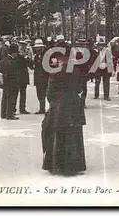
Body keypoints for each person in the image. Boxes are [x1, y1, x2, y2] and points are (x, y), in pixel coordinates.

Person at [41, 44, 86, 175]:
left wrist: (54, 102)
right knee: (74, 134)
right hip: (74, 105)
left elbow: (49, 94)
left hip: (59, 106)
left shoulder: (55, 71)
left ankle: (56, 164)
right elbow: (80, 89)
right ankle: (74, 165)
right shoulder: (76, 70)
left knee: (53, 132)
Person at [0, 43, 22, 120]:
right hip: (12, 82)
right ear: (14, 53)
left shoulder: (4, 60)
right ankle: (10, 115)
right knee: (11, 98)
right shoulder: (12, 61)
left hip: (5, 82)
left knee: (4, 98)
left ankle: (3, 113)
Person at [33, 39, 49, 114]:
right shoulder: (35, 56)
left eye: (39, 48)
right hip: (38, 78)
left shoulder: (47, 55)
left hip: (45, 77)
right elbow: (33, 66)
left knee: (47, 93)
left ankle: (47, 109)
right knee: (39, 94)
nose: (38, 49)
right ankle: (41, 109)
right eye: (37, 48)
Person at [16, 40, 31, 114]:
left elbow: (31, 66)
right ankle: (13, 109)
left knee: (23, 93)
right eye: (22, 46)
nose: (23, 48)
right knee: (15, 93)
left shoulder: (26, 55)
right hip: (17, 76)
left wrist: (28, 58)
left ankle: (22, 108)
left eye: (24, 46)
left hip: (24, 76)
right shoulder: (16, 55)